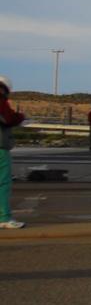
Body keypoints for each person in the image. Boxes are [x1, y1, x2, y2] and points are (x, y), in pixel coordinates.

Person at [0, 75, 26, 229]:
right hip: (0, 147)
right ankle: (4, 217)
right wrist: (21, 116)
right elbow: (8, 118)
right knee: (3, 182)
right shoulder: (1, 101)